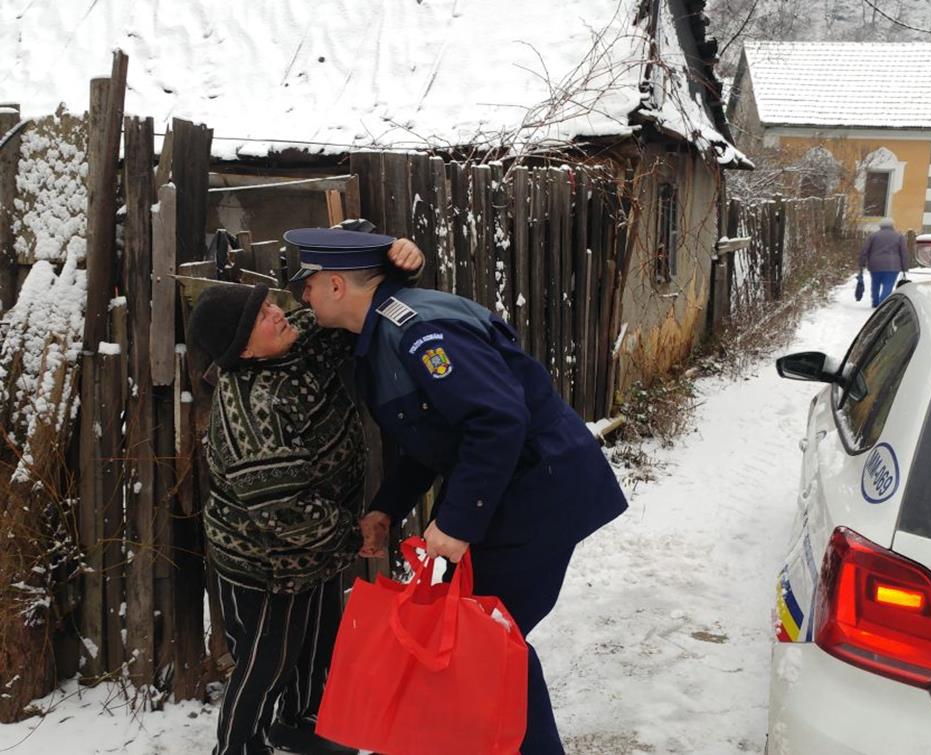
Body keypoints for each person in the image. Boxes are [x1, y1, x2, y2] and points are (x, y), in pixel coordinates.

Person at [289, 227, 629, 755]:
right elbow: (430, 435)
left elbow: (496, 421)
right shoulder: (385, 328)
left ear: (335, 285)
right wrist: (387, 508)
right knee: (471, 634)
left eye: (305, 284)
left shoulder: (416, 330)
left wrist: (456, 524)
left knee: (484, 636)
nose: (301, 295)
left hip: (539, 489)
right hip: (518, 487)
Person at [188, 236, 424, 755]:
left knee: (316, 643)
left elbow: (349, 307)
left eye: (270, 303)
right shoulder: (253, 409)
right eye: (262, 316)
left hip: (310, 551)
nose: (278, 312)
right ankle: (239, 746)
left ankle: (300, 722)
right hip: (267, 562)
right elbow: (284, 508)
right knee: (265, 662)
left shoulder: (293, 344)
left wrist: (400, 266)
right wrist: (351, 536)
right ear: (243, 350)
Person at [860, 217, 909, 308]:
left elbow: (865, 250)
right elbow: (904, 252)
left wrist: (861, 262)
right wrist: (904, 266)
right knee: (888, 284)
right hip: (893, 265)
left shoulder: (873, 236)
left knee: (875, 283)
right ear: (892, 225)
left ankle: (875, 301)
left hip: (875, 264)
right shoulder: (899, 236)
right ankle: (883, 302)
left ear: (880, 226)